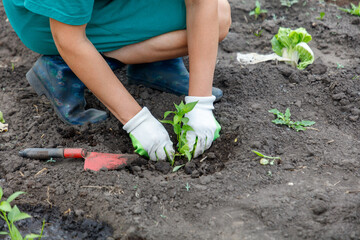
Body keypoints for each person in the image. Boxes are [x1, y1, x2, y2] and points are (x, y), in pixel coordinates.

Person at [3, 0, 232, 161]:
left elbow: (201, 3)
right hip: (43, 16)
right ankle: (68, 65)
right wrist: (137, 122)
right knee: (216, 20)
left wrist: (201, 103)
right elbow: (68, 38)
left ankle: (150, 61)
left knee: (218, 14)